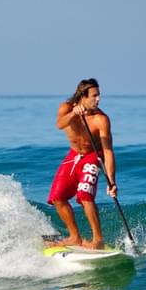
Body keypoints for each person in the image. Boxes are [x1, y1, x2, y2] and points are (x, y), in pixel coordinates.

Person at [47, 78, 118, 249]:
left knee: (85, 195)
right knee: (57, 197)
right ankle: (74, 237)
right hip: (73, 155)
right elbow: (59, 124)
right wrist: (74, 114)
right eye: (94, 96)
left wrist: (112, 181)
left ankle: (98, 240)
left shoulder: (101, 119)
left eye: (99, 95)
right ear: (82, 96)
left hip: (93, 155)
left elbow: (108, 151)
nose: (98, 99)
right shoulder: (66, 108)